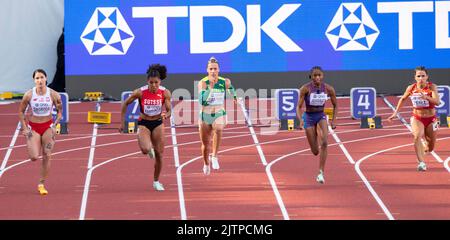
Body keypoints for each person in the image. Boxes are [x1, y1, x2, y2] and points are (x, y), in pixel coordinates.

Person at [120, 64, 171, 191]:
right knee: (145, 149)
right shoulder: (140, 92)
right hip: (144, 122)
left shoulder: (165, 92)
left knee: (159, 154)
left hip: (158, 122)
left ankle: (156, 181)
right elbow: (125, 104)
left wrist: (166, 114)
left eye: (156, 83)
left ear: (160, 81)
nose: (154, 85)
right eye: (151, 83)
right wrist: (122, 123)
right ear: (147, 81)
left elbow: (169, 110)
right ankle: (148, 150)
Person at [18, 69, 62, 195]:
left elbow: (60, 112)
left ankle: (41, 183)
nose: (40, 80)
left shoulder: (53, 94)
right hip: (34, 127)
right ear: (34, 81)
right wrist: (25, 128)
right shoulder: (29, 95)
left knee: (47, 154)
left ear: (46, 78)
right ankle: (31, 140)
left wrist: (55, 125)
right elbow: (21, 111)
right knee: (33, 157)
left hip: (48, 127)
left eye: (42, 77)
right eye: (37, 78)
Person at [388, 66, 440, 171]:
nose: (421, 78)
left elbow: (437, 102)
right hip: (417, 118)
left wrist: (426, 97)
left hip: (431, 119)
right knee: (417, 136)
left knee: (430, 147)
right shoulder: (411, 88)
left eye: (423, 76)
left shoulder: (432, 87)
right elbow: (402, 99)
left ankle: (425, 147)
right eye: (418, 76)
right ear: (415, 77)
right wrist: (395, 113)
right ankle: (421, 163)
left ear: (427, 77)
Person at [296, 66, 337, 184]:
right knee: (315, 151)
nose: (317, 77)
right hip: (308, 117)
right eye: (315, 75)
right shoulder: (305, 89)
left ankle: (321, 172)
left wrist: (334, 120)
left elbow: (336, 105)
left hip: (320, 115)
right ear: (311, 77)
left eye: (319, 75)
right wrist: (300, 120)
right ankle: (314, 133)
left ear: (322, 76)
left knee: (324, 142)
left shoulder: (329, 89)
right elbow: (298, 107)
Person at [198, 57, 237, 175]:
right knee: (205, 145)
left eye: (215, 69)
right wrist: (210, 87)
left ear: (219, 69)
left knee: (219, 129)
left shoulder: (224, 81)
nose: (213, 71)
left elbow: (230, 87)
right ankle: (206, 163)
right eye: (211, 69)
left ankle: (214, 156)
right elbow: (202, 100)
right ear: (207, 70)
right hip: (205, 114)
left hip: (219, 112)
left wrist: (234, 96)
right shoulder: (203, 83)